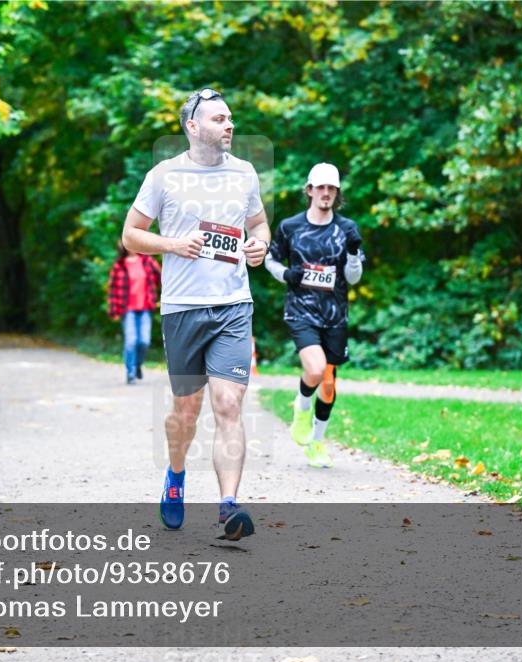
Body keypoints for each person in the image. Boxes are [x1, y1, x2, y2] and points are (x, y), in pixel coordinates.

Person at [122, 87, 270, 541]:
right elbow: (131, 235)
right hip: (183, 309)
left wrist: (260, 244)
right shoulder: (164, 176)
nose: (229, 125)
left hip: (233, 306)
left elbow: (258, 224)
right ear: (193, 126)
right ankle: (176, 475)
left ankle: (229, 506)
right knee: (186, 412)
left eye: (231, 118)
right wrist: (171, 244)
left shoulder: (244, 173)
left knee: (229, 404)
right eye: (219, 119)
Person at [264, 163, 364, 468]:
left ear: (337, 194)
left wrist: (352, 257)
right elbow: (269, 258)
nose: (326, 193)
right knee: (316, 369)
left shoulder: (347, 229)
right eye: (320, 187)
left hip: (335, 315)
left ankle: (317, 442)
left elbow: (354, 277)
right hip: (301, 311)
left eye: (331, 188)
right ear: (309, 190)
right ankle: (302, 405)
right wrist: (287, 275)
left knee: (329, 383)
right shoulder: (290, 227)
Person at [107, 241, 162, 384]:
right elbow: (113, 290)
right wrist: (113, 311)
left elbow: (162, 279)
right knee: (131, 342)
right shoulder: (119, 266)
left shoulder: (147, 261)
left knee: (144, 341)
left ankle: (137, 365)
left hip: (145, 307)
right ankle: (130, 373)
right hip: (128, 309)